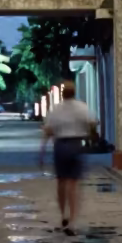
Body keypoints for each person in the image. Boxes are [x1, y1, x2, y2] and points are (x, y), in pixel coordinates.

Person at [40, 82, 97, 234]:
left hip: (60, 146)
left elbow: (48, 130)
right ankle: (72, 220)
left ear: (63, 93)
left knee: (61, 181)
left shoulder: (56, 109)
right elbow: (92, 123)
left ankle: (63, 214)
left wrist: (42, 151)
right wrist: (91, 135)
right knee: (73, 183)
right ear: (74, 92)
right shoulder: (82, 107)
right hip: (76, 145)